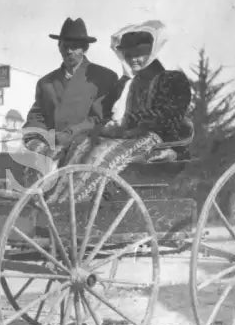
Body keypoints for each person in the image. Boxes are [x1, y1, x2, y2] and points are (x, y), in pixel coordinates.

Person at [50, 20, 192, 202]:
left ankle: (73, 201)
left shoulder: (172, 79)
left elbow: (167, 117)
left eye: (140, 54)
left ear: (152, 53)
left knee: (101, 153)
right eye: (129, 55)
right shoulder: (131, 83)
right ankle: (59, 198)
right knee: (82, 143)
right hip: (130, 136)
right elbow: (108, 110)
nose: (134, 60)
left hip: (159, 140)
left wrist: (126, 126)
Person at [22, 17, 119, 174]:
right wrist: (39, 143)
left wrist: (69, 134)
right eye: (65, 46)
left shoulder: (104, 77)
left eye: (75, 47)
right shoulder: (46, 83)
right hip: (51, 153)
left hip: (86, 153)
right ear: (59, 47)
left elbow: (100, 118)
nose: (69, 51)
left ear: (85, 48)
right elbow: (36, 119)